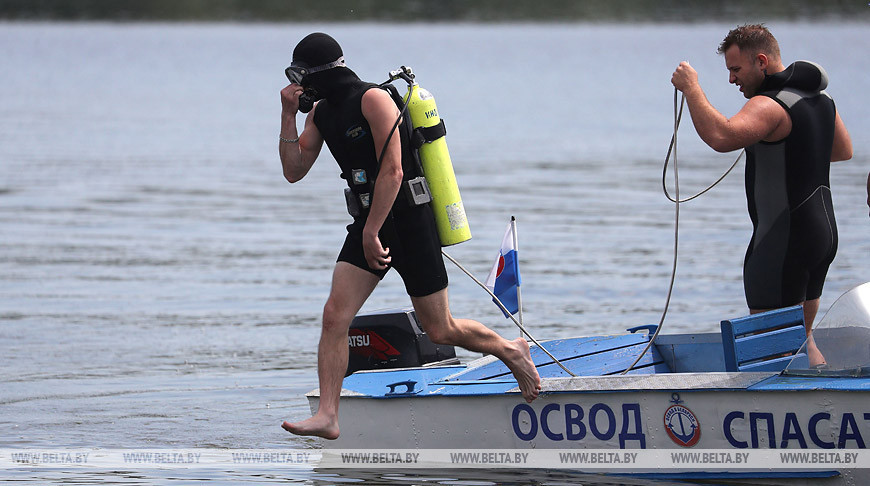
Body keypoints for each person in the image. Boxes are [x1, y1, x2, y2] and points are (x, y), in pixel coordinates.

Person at [277, 33, 541, 439]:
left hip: (409, 222)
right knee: (335, 316)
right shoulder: (321, 114)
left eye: (301, 76)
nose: (300, 86)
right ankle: (329, 414)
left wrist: (372, 229)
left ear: (318, 72)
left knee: (441, 329)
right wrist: (288, 115)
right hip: (368, 223)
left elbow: (394, 171)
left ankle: (510, 350)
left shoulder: (374, 100)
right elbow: (293, 171)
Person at [671, 24, 852, 366]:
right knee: (802, 341)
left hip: (782, 240)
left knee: (773, 351)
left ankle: (784, 412)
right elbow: (842, 150)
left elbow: (722, 137)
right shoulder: (820, 100)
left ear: (762, 62)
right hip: (821, 235)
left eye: (736, 70)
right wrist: (786, 147)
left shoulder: (768, 106)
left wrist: (692, 88)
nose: (731, 79)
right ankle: (830, 405)